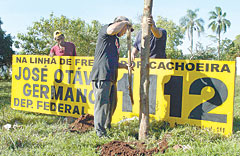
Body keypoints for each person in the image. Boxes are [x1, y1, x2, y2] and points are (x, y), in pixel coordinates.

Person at [90, 16, 133, 137]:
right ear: (119, 24)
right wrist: (125, 22)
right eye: (125, 29)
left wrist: (125, 66)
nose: (125, 32)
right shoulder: (106, 30)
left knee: (112, 104)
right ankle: (100, 132)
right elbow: (111, 30)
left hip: (111, 76)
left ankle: (106, 127)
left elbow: (112, 61)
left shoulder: (116, 41)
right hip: (102, 75)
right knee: (102, 104)